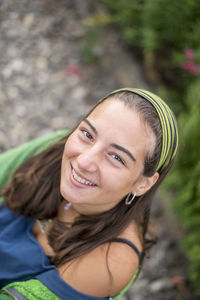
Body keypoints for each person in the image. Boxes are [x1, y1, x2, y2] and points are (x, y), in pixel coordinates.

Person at [0, 88, 178, 300]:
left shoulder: (110, 262)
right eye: (87, 134)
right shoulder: (57, 147)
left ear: (142, 184)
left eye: (116, 157)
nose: (84, 161)